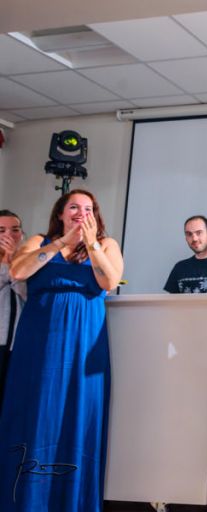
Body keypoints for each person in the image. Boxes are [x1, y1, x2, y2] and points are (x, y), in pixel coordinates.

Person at [0, 189, 124, 511]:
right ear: (61, 213)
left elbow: (110, 281)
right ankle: (26, 501)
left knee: (79, 419)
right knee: (36, 416)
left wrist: (92, 243)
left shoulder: (107, 245)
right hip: (39, 345)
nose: (80, 213)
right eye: (74, 207)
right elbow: (18, 271)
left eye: (88, 208)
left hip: (85, 348)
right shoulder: (40, 241)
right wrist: (61, 242)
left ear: (95, 215)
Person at [0, 210, 25, 411]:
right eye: (1, 230)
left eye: (15, 230)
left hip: (18, 342)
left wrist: (14, 262)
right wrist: (7, 265)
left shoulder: (31, 262)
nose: (9, 236)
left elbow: (27, 293)